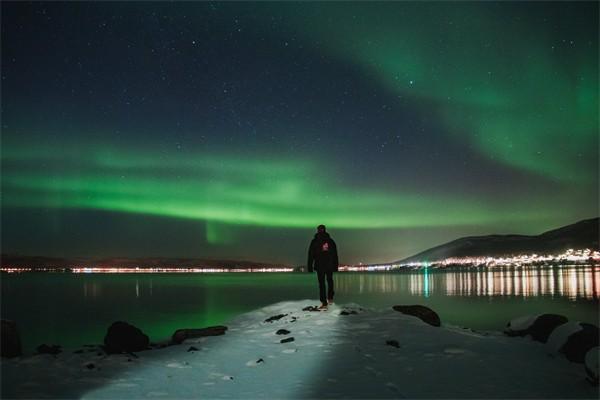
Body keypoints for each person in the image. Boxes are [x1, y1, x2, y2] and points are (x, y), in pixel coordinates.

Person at [307, 224, 339, 309]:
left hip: (320, 265)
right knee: (330, 281)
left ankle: (324, 303)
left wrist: (310, 266)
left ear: (317, 230)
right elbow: (335, 254)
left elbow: (311, 254)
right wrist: (335, 266)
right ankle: (330, 298)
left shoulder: (315, 241)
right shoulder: (331, 241)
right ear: (325, 230)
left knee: (322, 284)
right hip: (329, 265)